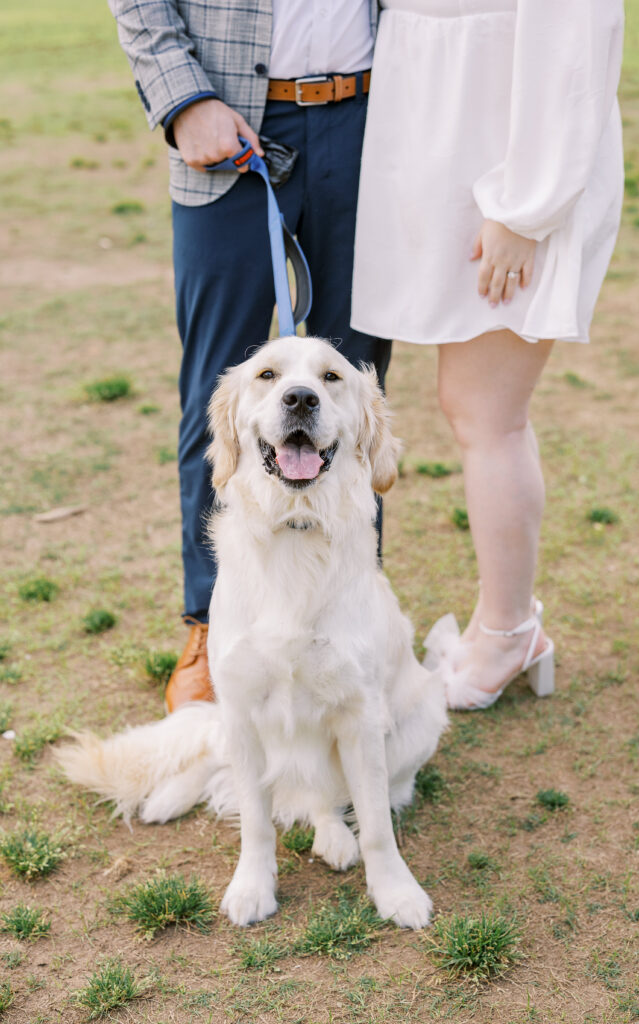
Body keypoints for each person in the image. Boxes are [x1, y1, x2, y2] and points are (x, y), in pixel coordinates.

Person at [107, 1, 391, 710]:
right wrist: (183, 99)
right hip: (223, 119)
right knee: (224, 392)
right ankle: (214, 621)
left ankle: (352, 619)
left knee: (350, 390)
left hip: (372, 121)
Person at [351, 0, 624, 709]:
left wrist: (523, 209)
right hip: (449, 158)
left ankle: (508, 633)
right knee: (469, 408)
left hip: (504, 183)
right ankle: (503, 625)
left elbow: (573, 40)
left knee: (487, 413)